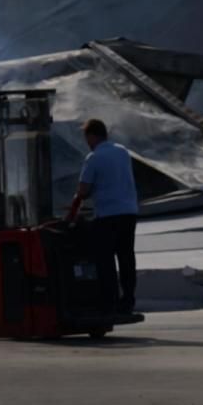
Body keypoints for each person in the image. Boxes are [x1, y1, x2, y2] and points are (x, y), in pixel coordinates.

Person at [65, 119, 139, 315]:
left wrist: (72, 212)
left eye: (86, 137)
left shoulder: (94, 157)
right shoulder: (122, 152)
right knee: (126, 257)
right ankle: (128, 300)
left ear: (91, 136)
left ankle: (110, 301)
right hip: (129, 212)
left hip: (108, 215)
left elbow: (83, 190)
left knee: (104, 260)